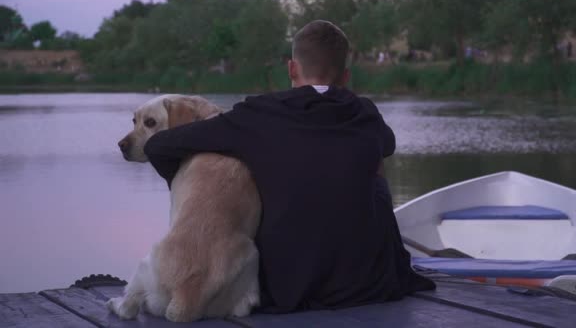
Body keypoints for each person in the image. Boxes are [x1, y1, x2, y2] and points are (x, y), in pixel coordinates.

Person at [144, 20, 435, 313]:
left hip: (287, 288)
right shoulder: (366, 114)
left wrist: (192, 183)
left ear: (292, 69)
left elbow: (157, 146)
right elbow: (387, 145)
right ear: (345, 77)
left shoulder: (256, 116)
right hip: (366, 284)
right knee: (375, 176)